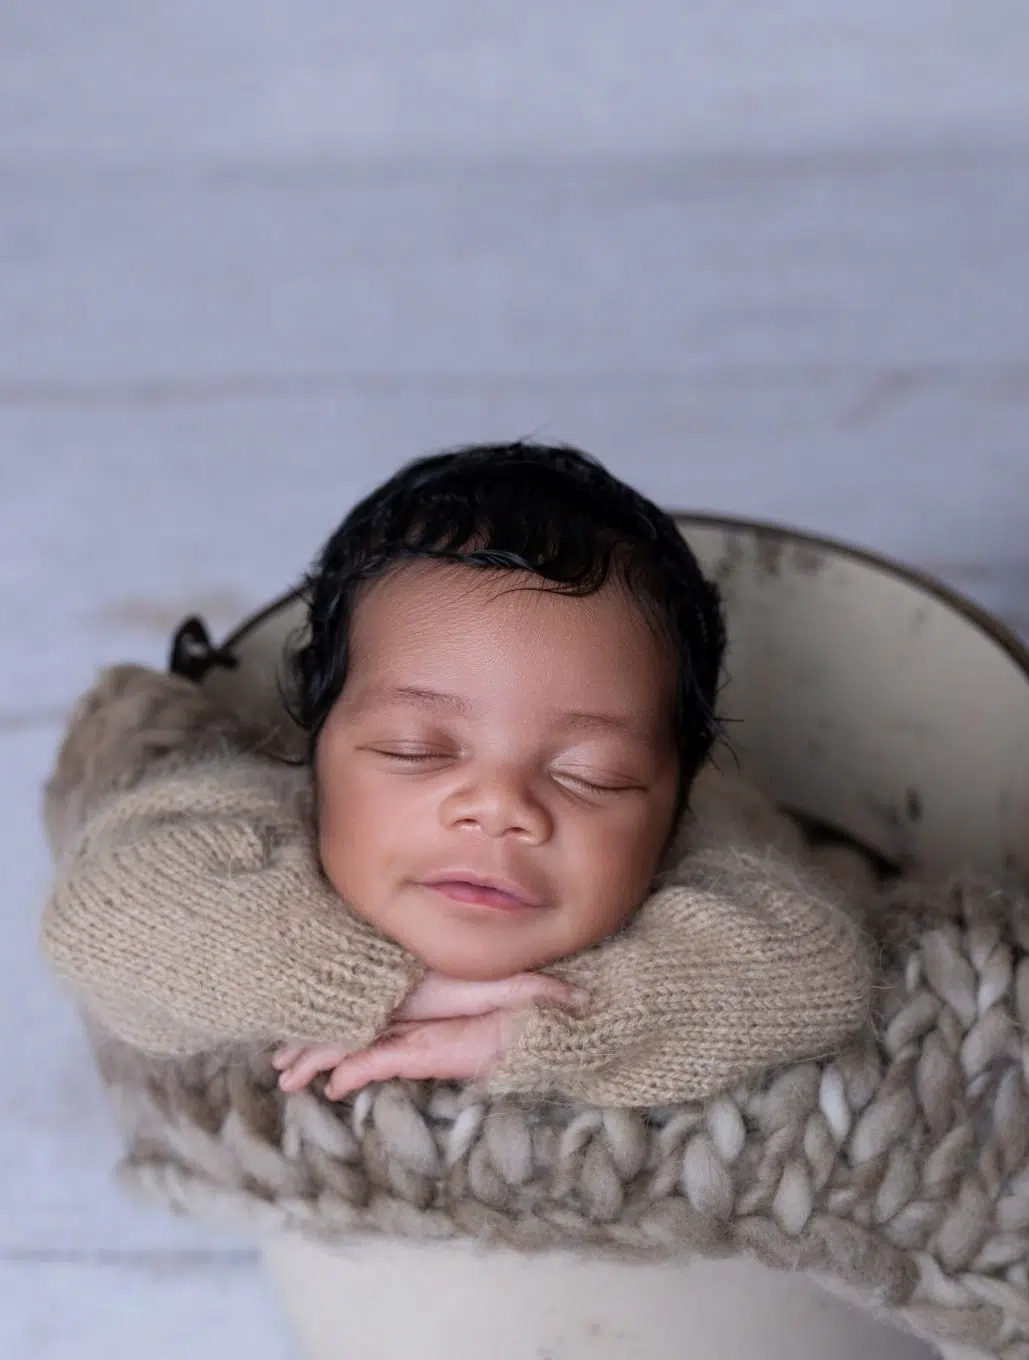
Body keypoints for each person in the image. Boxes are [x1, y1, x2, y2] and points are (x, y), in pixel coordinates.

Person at [41, 442, 876, 1109]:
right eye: (416, 749)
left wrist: (538, 1026)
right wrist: (386, 990)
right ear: (316, 744)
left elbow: (822, 970)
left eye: (594, 776)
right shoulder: (268, 830)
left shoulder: (705, 861)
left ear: (676, 799)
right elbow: (104, 916)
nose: (499, 805)